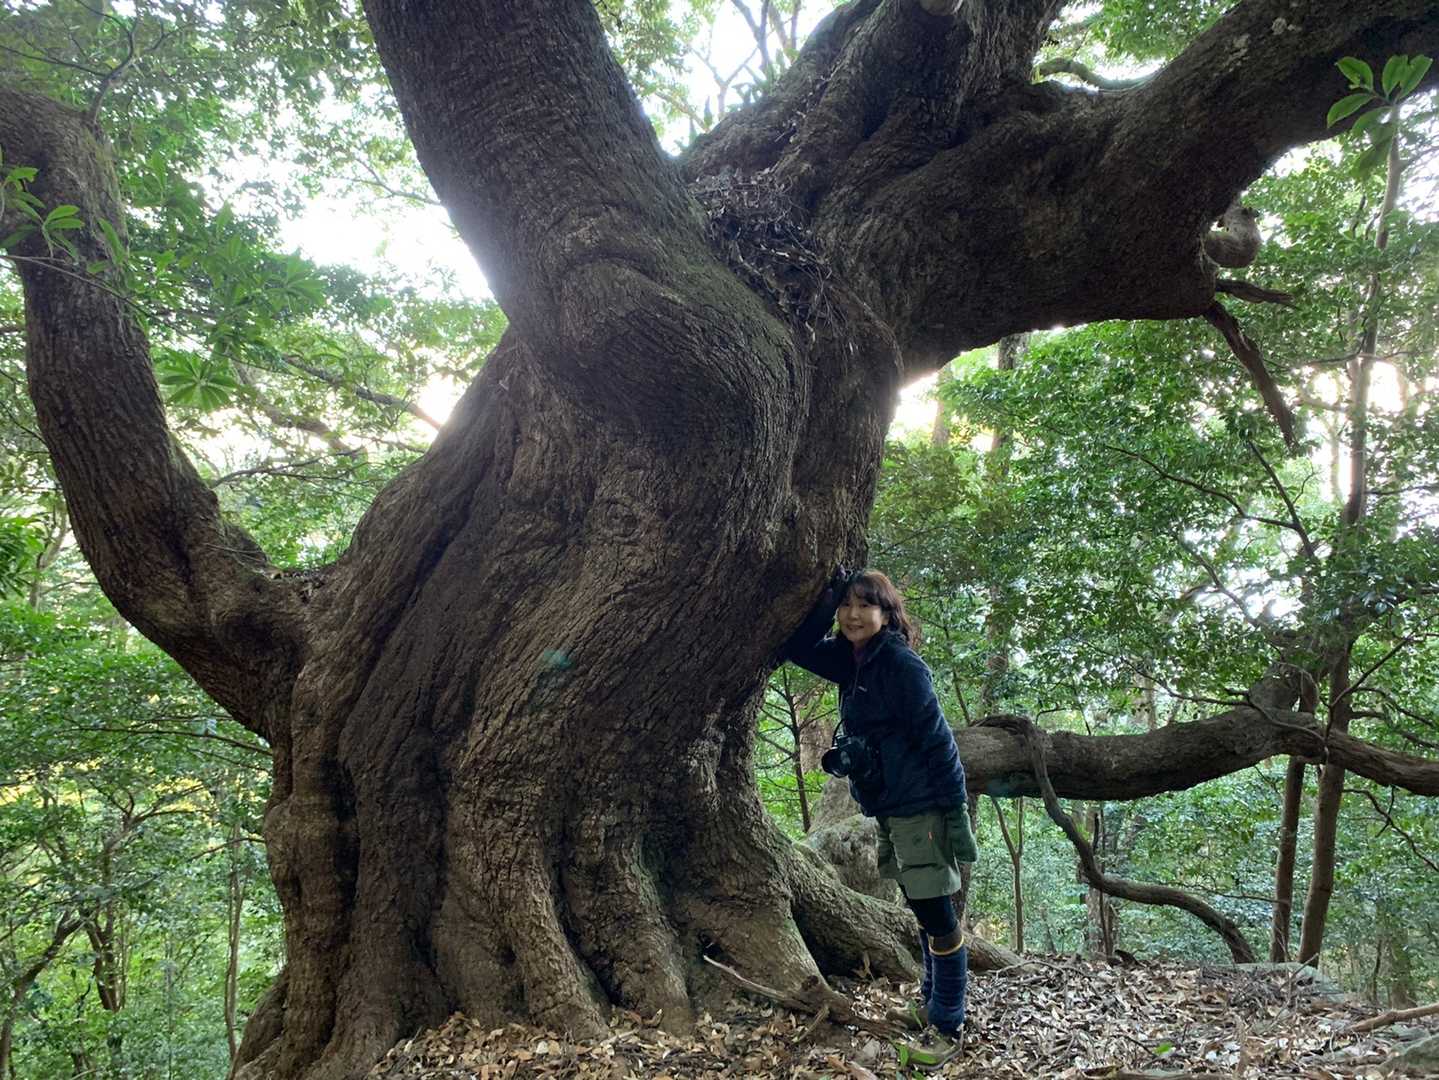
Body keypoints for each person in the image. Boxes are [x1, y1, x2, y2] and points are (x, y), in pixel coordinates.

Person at [784, 568, 977, 1041]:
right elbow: (797, 647)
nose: (853, 614)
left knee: (936, 913)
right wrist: (825, 599)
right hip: (890, 806)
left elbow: (939, 741)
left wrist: (955, 815)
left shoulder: (900, 666)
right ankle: (932, 1004)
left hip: (921, 806)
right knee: (919, 905)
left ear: (886, 615)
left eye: (864, 605)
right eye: (846, 605)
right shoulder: (853, 659)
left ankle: (948, 1022)